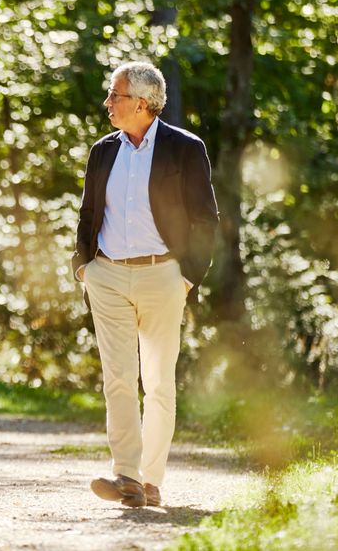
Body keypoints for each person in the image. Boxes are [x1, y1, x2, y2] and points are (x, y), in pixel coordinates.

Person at [71, 62, 218, 508]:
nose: (108, 103)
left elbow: (205, 218)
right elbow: (87, 212)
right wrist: (84, 267)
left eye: (114, 95)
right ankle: (127, 476)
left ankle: (151, 480)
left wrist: (188, 275)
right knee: (117, 378)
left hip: (163, 275)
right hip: (108, 274)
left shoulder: (185, 148)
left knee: (157, 381)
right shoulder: (103, 150)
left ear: (141, 102)